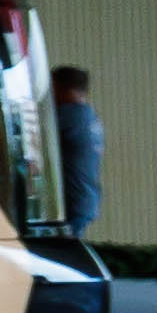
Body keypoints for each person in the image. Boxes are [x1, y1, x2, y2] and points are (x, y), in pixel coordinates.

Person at [55, 64, 109, 239]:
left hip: (71, 203)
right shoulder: (89, 117)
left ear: (59, 86)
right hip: (85, 200)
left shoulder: (67, 115)